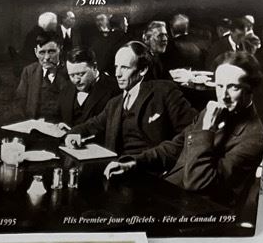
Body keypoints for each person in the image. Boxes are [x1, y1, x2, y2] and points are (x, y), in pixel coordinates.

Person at [105, 53, 263, 206]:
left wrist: (206, 130)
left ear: (250, 89)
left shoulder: (255, 138)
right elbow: (176, 146)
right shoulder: (212, 112)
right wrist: (134, 162)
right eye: (219, 86)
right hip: (170, 192)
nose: (223, 95)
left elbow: (198, 183)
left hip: (198, 209)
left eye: (233, 87)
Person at [67, 43, 198, 158]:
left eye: (124, 67)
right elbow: (92, 125)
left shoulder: (164, 91)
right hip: (117, 167)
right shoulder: (114, 103)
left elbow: (193, 132)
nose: (117, 74)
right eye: (116, 67)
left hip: (154, 169)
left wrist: (150, 159)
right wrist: (74, 133)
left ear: (143, 70)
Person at [9, 33, 72, 124]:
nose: (46, 58)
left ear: (60, 50)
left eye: (51, 52)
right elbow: (19, 102)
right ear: (35, 52)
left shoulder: (70, 72)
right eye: (42, 52)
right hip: (33, 125)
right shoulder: (29, 71)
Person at [64, 51, 116, 129]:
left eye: (81, 74)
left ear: (94, 67)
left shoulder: (114, 89)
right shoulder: (66, 88)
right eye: (71, 75)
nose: (76, 80)